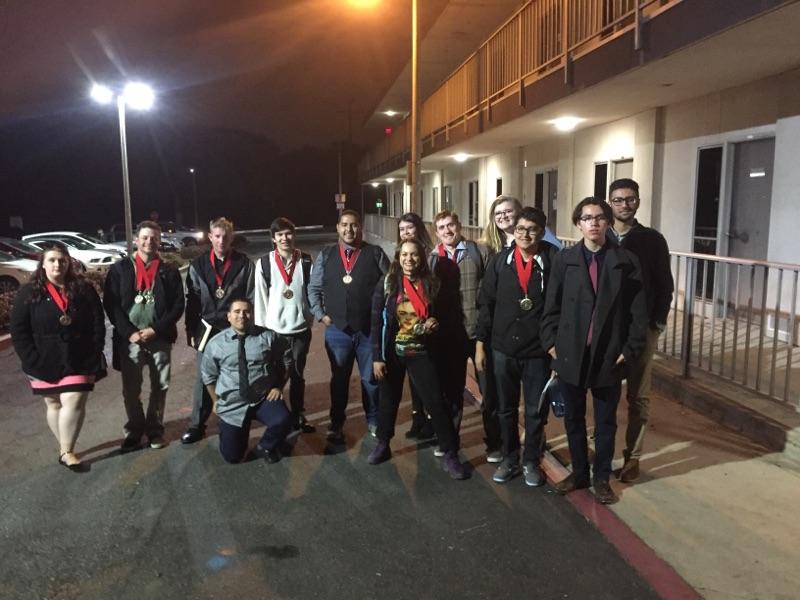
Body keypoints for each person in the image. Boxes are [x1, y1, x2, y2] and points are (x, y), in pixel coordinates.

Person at [541, 197, 648, 504]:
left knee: (605, 421)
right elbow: (552, 306)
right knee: (573, 418)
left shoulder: (625, 261)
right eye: (587, 218)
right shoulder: (565, 260)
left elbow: (637, 312)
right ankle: (579, 473)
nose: (594, 223)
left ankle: (601, 477)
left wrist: (629, 349)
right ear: (579, 224)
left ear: (608, 223)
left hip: (608, 355)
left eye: (600, 218)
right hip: (571, 353)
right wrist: (550, 343)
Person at [368, 239, 468, 479]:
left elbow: (443, 316)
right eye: (404, 255)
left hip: (422, 352)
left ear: (421, 258)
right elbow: (376, 321)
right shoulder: (388, 283)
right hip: (393, 352)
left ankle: (450, 453)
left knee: (436, 402)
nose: (408, 259)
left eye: (413, 255)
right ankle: (383, 443)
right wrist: (376, 357)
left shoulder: (432, 284)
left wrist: (435, 324)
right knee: (388, 400)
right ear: (398, 257)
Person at [476, 207, 559, 486]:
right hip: (502, 349)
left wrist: (555, 346)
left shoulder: (553, 261)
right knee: (506, 408)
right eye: (521, 228)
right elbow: (485, 305)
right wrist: (480, 345)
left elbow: (561, 306)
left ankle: (531, 460)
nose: (525, 234)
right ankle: (510, 458)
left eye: (532, 229)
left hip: (538, 352)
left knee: (536, 410)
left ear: (541, 232)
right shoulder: (501, 261)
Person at [10, 241, 106, 472]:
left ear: (69, 263)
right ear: (42, 263)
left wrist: (94, 349)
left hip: (79, 357)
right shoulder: (29, 292)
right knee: (53, 403)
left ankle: (66, 450)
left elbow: (97, 321)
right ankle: (65, 447)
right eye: (52, 260)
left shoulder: (83, 289)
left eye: (62, 260)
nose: (57, 265)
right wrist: (30, 359)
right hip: (42, 358)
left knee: (74, 399)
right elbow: (19, 330)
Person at [607, 178, 674, 483]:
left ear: (638, 201)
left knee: (639, 396)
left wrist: (657, 323)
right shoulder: (600, 236)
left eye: (630, 199)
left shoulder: (652, 239)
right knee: (603, 392)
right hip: (607, 330)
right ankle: (603, 453)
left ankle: (632, 457)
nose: (625, 204)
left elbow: (664, 284)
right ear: (610, 202)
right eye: (619, 199)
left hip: (642, 328)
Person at [308, 209, 389, 444]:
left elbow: (391, 286)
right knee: (339, 380)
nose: (349, 229)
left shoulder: (375, 253)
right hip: (337, 332)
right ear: (338, 227)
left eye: (354, 225)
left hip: (367, 331)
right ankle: (336, 423)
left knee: (370, 380)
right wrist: (320, 315)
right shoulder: (326, 254)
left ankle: (373, 419)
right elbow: (313, 289)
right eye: (344, 225)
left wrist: (383, 317)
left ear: (360, 227)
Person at [103, 221, 185, 452]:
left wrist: (156, 330)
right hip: (130, 340)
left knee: (160, 386)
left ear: (160, 242)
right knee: (131, 389)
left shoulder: (168, 271)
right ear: (136, 240)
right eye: (146, 237)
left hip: (159, 337)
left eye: (155, 238)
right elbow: (112, 304)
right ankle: (134, 430)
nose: (150, 242)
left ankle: (155, 429)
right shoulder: (120, 269)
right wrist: (129, 333)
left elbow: (178, 305)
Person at [430, 210, 502, 463]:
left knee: (489, 392)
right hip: (449, 338)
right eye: (442, 227)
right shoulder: (431, 259)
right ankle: (450, 441)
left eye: (451, 225)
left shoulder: (479, 252)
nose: (447, 231)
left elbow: (492, 293)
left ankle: (494, 443)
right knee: (451, 392)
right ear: (436, 232)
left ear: (459, 226)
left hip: (479, 334)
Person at [182, 217, 255, 444]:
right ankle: (197, 425)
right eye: (217, 236)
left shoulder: (244, 263)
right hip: (207, 330)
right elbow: (192, 302)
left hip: (236, 327)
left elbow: (252, 297)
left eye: (226, 236)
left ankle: (236, 419)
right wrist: (190, 330)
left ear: (231, 238)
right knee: (204, 378)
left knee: (238, 374)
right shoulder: (198, 265)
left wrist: (250, 327)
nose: (221, 241)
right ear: (210, 237)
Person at [201, 299, 293, 464]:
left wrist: (278, 387)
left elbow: (287, 361)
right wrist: (215, 401)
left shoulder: (268, 337)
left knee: (283, 420)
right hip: (233, 402)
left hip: (262, 397)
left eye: (246, 311)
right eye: (236, 311)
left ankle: (266, 446)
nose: (241, 316)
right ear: (228, 316)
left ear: (252, 315)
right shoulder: (216, 344)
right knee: (232, 457)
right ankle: (234, 433)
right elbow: (208, 376)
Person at [254, 217, 315, 433]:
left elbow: (312, 293)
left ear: (294, 235)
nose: (284, 238)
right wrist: (263, 329)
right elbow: (260, 299)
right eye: (279, 234)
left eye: (288, 233)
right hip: (274, 332)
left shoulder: (306, 261)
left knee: (297, 374)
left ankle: (298, 414)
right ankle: (276, 416)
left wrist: (308, 320)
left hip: (299, 330)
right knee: (274, 375)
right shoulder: (263, 263)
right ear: (273, 238)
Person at [396, 212, 435, 440]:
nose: (405, 233)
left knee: (429, 379)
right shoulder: (400, 257)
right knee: (413, 378)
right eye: (402, 229)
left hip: (428, 329)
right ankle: (417, 417)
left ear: (419, 229)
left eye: (409, 228)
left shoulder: (430, 257)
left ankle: (431, 420)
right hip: (408, 331)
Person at [482, 195, 561, 253]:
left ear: (520, 212)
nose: (503, 216)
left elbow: (558, 251)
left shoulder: (538, 230)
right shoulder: (488, 242)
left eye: (508, 211)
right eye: (498, 213)